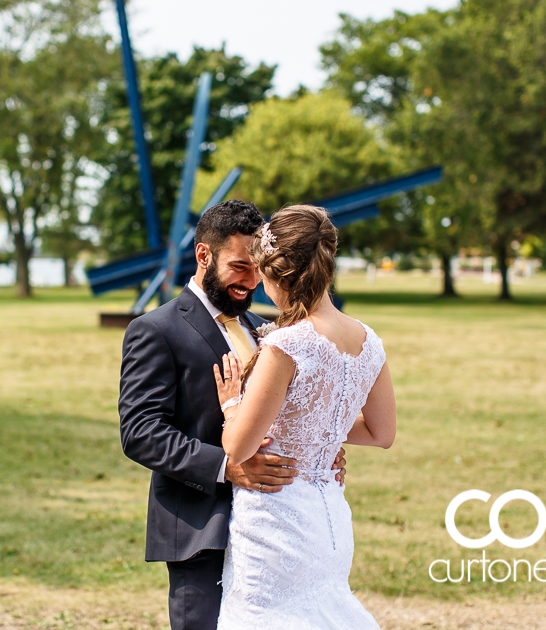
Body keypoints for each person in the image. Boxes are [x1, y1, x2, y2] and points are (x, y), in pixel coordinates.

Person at [118, 200, 347, 630]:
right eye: (240, 267)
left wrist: (321, 448)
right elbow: (141, 432)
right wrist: (228, 467)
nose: (252, 281)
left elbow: (286, 413)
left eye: (258, 268)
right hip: (202, 528)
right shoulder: (155, 330)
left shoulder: (271, 331)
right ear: (204, 255)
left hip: (276, 533)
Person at [213, 204, 396, 628]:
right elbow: (381, 432)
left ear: (278, 275)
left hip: (275, 522)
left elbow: (238, 447)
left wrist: (230, 403)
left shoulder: (287, 345)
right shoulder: (370, 342)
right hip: (329, 516)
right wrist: (318, 433)